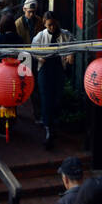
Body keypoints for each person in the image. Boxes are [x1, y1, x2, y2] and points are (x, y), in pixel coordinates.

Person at [31, 12, 74, 148]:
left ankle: (54, 122)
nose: (52, 28)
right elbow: (33, 50)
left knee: (57, 97)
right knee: (46, 98)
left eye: (54, 24)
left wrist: (71, 54)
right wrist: (39, 58)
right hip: (44, 70)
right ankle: (48, 127)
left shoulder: (65, 34)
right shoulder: (40, 36)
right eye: (49, 25)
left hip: (58, 69)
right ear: (44, 24)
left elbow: (74, 44)